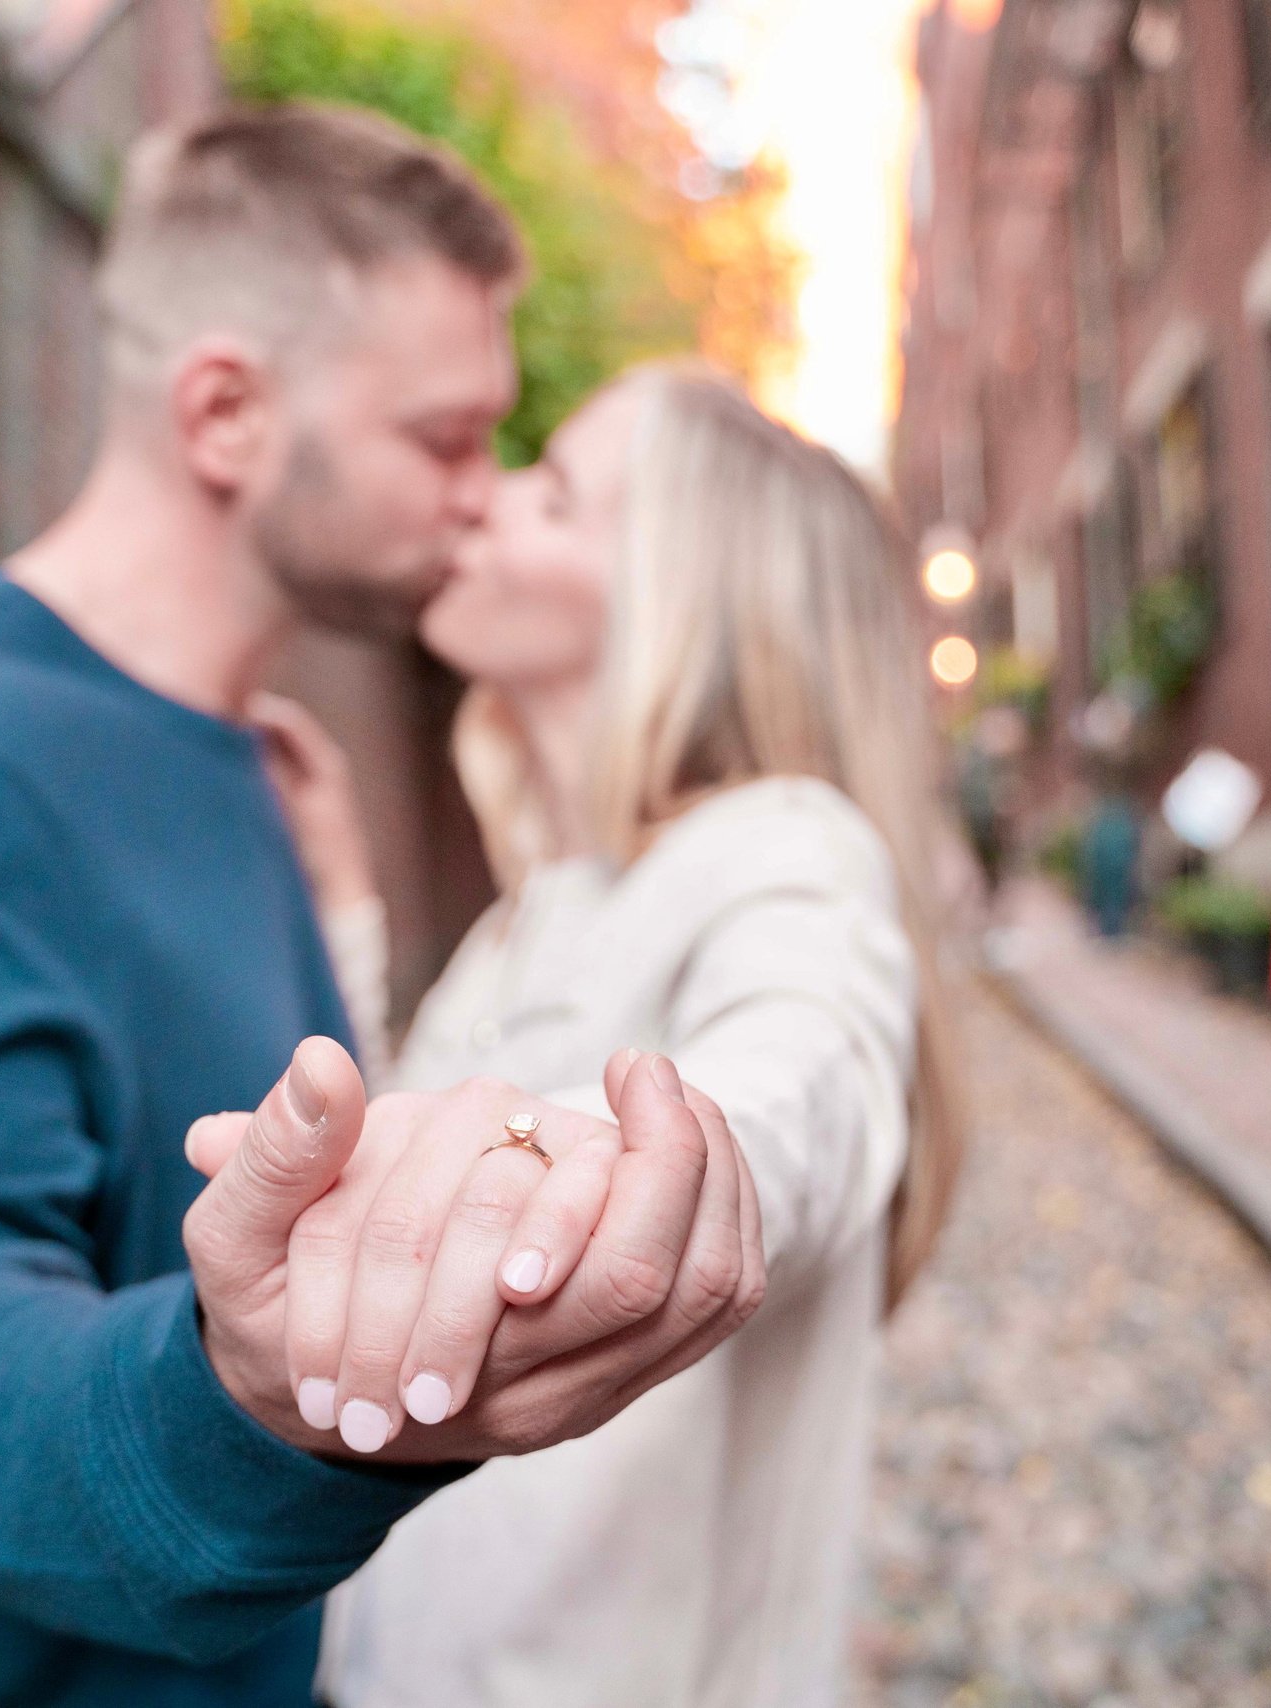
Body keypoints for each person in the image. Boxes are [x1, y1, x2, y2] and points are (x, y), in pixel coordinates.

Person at [0, 109, 764, 1708]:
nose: (484, 495)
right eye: (444, 439)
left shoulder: (252, 773)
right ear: (226, 414)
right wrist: (247, 1404)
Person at [252, 366, 967, 1705]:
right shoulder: (542, 904)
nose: (485, 500)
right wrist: (347, 906)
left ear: (677, 598)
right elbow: (410, 1137)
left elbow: (798, 1083)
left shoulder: (791, 851)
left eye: (553, 493)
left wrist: (651, 1169)